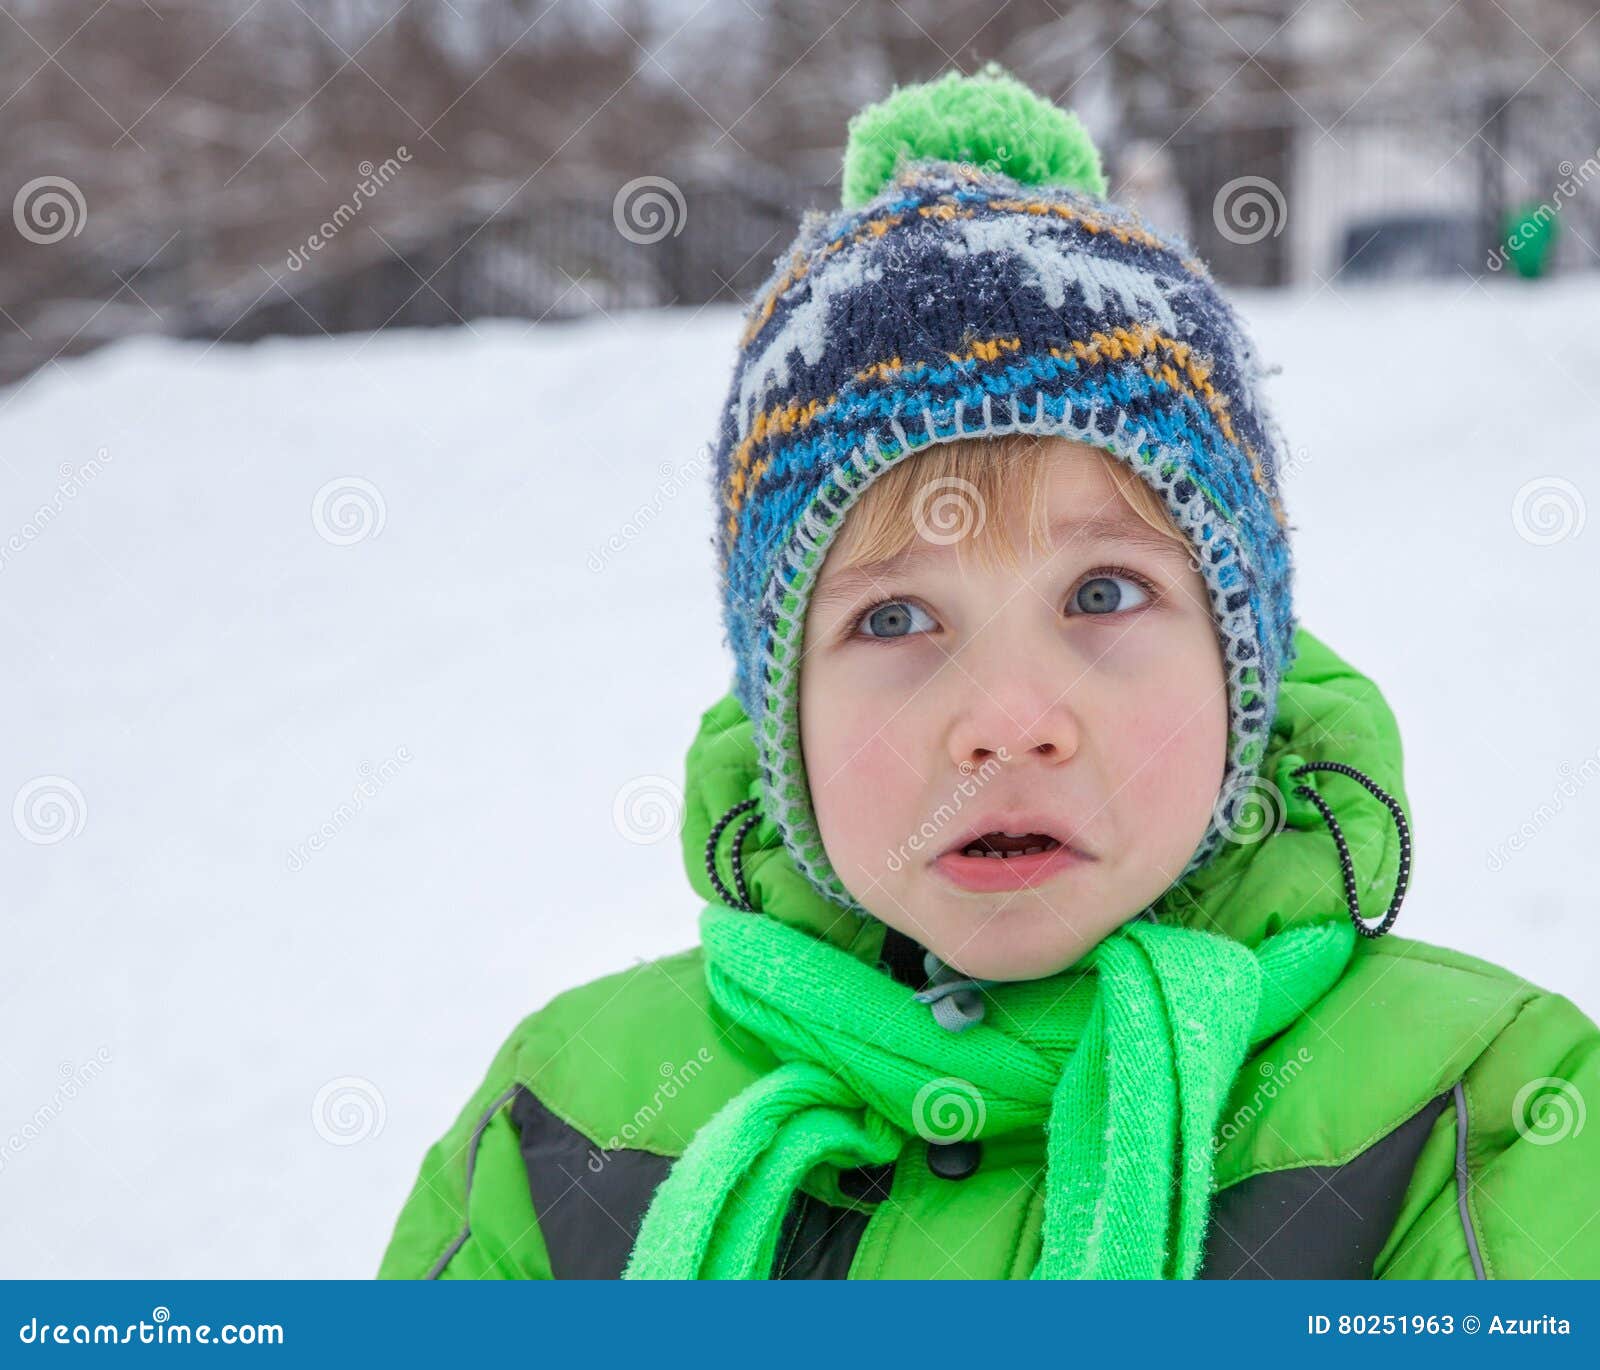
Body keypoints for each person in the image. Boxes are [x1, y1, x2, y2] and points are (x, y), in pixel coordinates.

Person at [378, 64, 1600, 1280]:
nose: (1007, 723)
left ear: (1243, 669)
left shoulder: (1481, 1112)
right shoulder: (560, 1129)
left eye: (1104, 594)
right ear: (780, 709)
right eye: (897, 615)